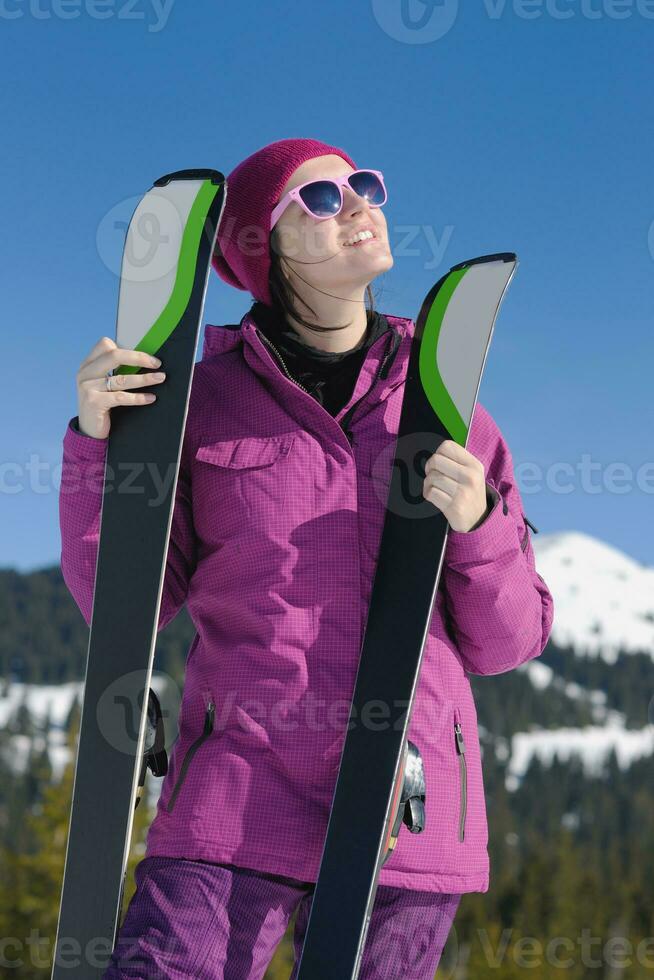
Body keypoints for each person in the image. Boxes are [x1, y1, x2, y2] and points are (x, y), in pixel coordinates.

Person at [59, 137, 555, 979]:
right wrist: (102, 446)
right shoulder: (197, 401)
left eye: (363, 183)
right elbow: (129, 601)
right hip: (237, 793)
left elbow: (510, 641)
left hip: (406, 798)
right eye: (320, 201)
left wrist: (479, 524)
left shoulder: (450, 408)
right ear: (265, 252)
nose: (359, 203)